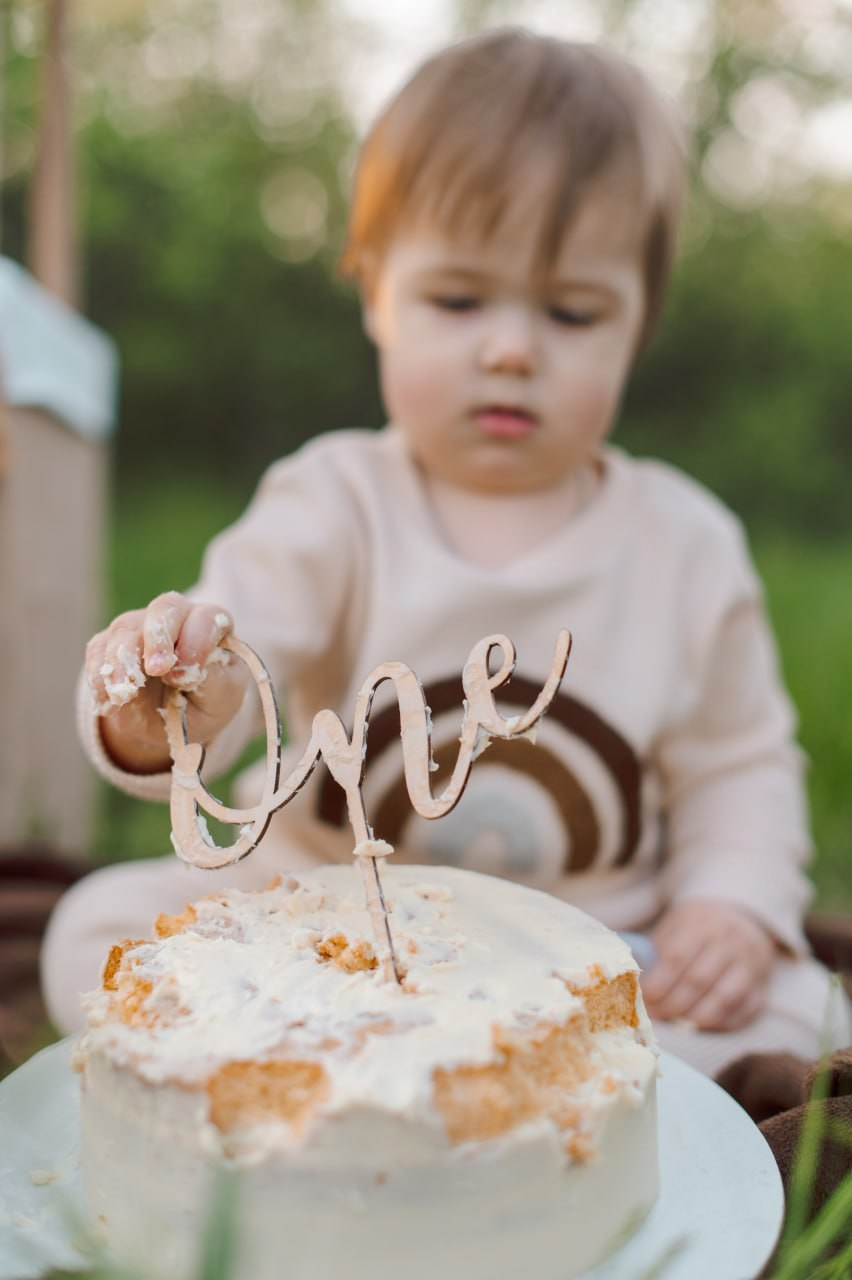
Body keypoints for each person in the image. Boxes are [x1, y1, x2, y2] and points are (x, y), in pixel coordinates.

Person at [42, 28, 850, 1076]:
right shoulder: (333, 500)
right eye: (459, 300)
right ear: (375, 293)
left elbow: (738, 764)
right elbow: (240, 658)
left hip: (585, 953)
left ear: (636, 323)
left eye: (571, 311)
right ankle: (334, 1069)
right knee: (96, 926)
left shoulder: (685, 544)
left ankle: (586, 1079)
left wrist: (729, 905)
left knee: (804, 1008)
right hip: (324, 933)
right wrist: (167, 704)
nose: (511, 347)